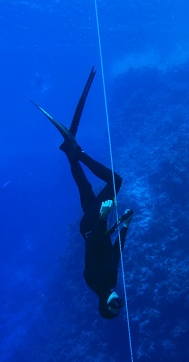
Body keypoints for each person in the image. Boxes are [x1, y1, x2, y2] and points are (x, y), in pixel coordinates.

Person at [33, 69, 133, 319]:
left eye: (113, 305)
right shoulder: (109, 283)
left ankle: (77, 152)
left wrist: (102, 216)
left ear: (103, 305)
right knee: (85, 189)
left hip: (92, 226)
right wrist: (125, 226)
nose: (118, 302)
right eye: (119, 305)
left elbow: (95, 245)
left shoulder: (94, 281)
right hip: (90, 226)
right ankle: (70, 153)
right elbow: (116, 252)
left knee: (115, 181)